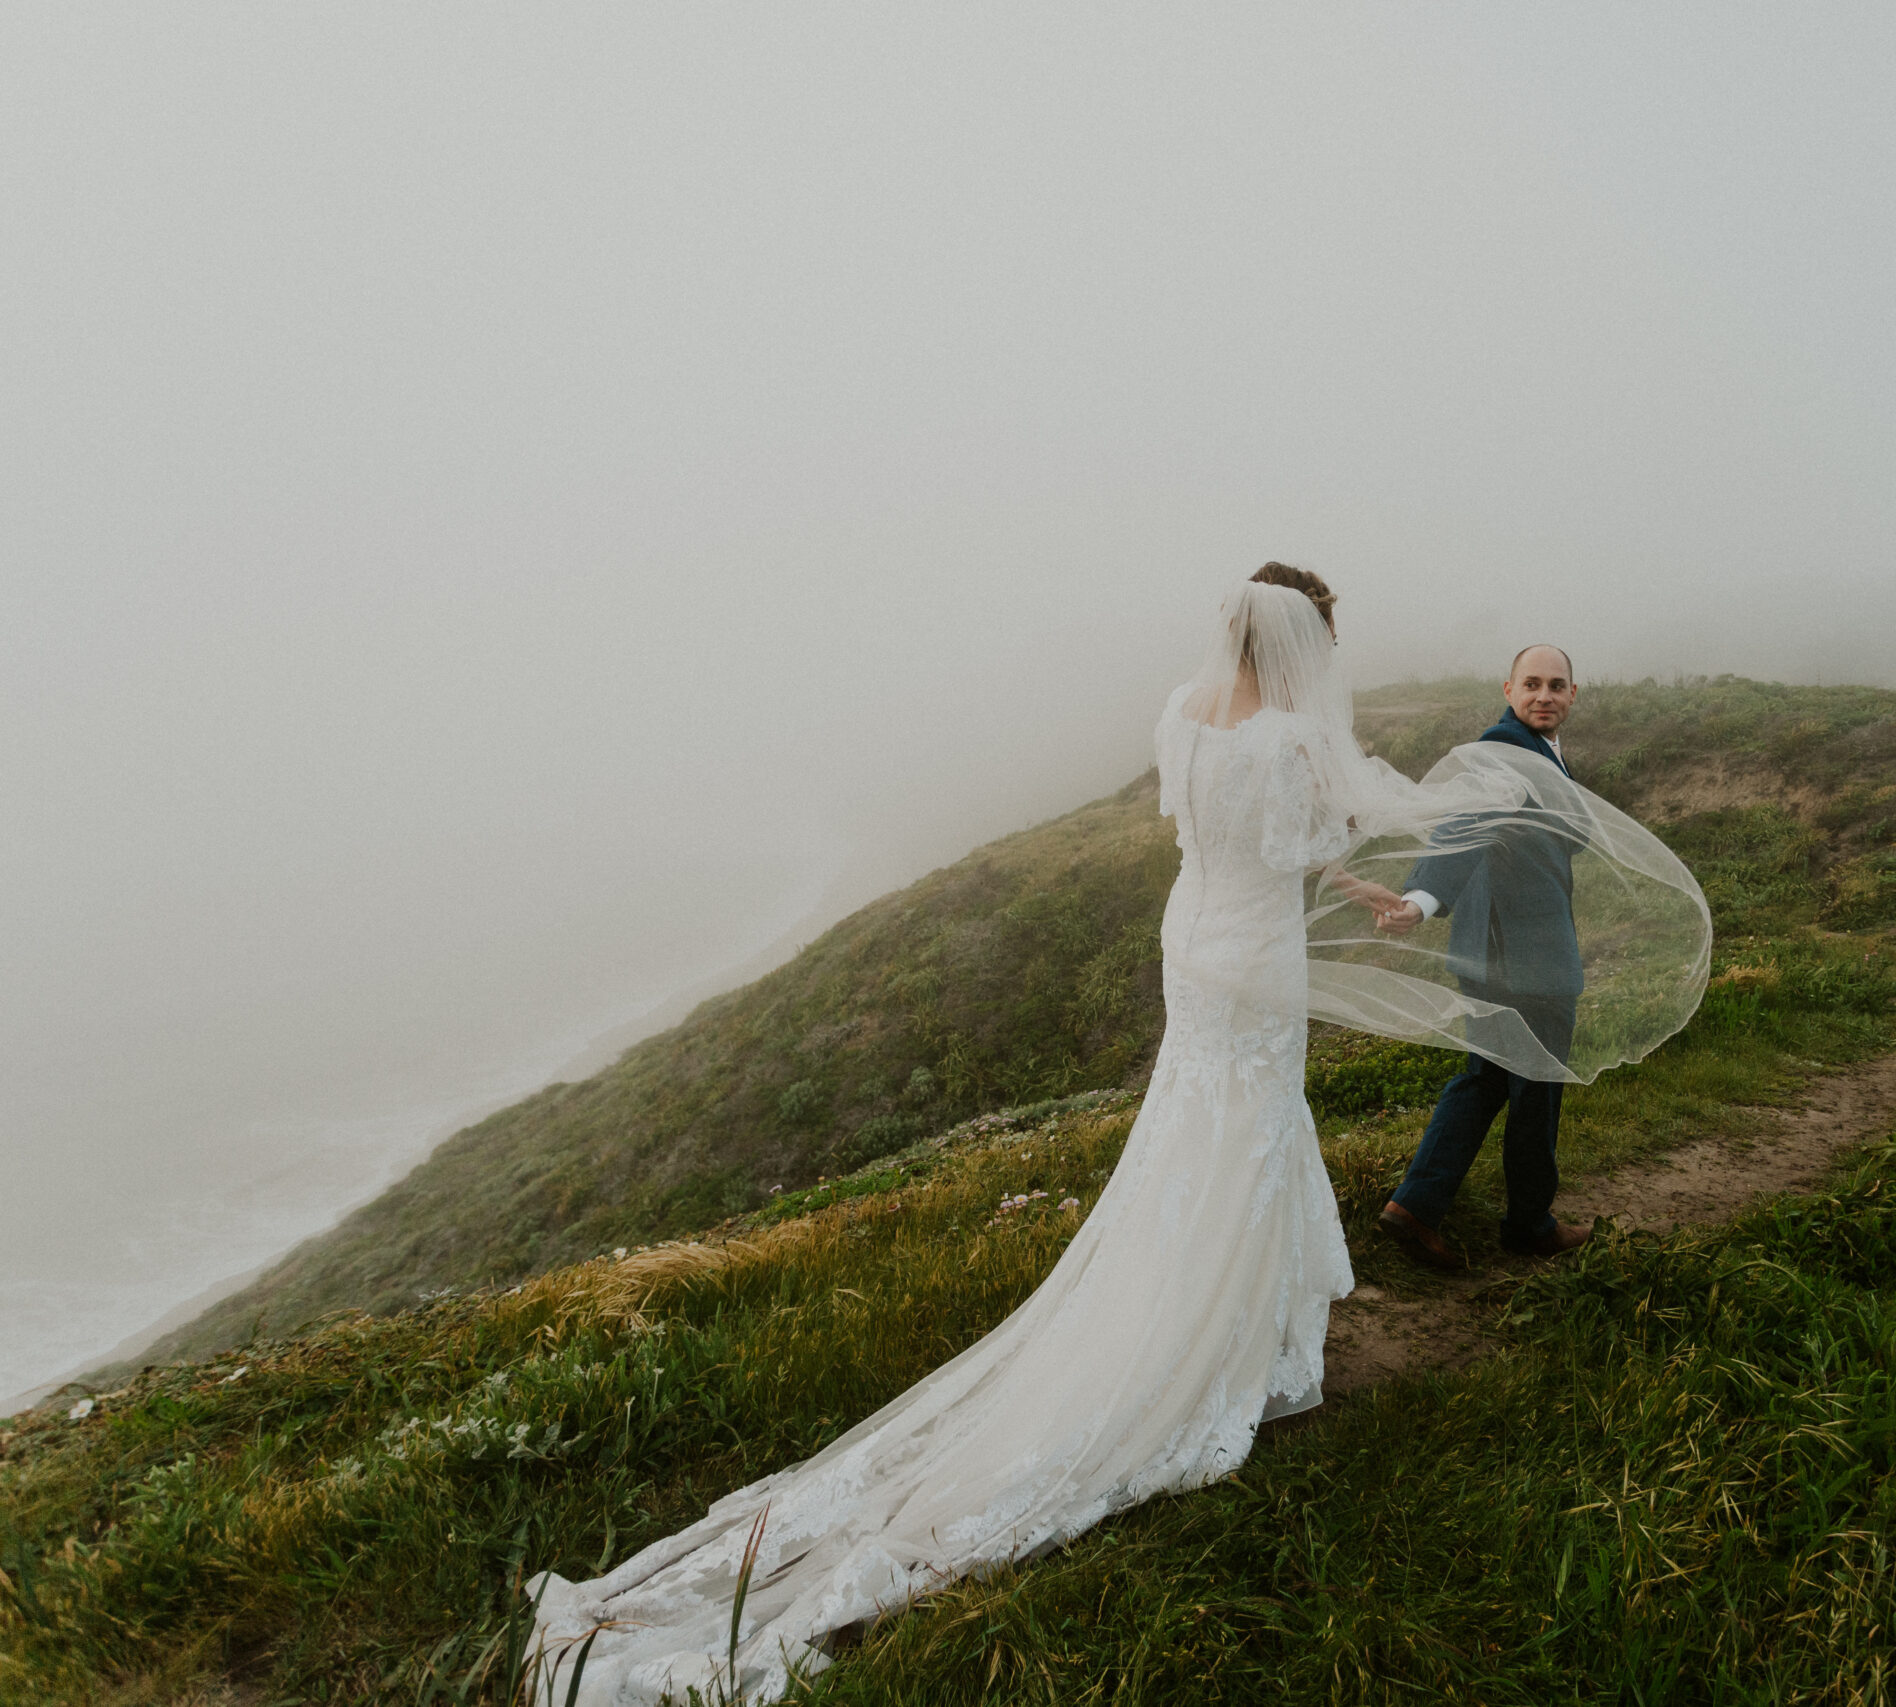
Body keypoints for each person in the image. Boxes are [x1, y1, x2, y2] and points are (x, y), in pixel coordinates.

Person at [521, 572, 1699, 1704]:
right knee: (1244, 1128)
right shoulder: (1292, 742)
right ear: (1295, 644)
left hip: (1192, 943)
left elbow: (1210, 837)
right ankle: (1219, 1332)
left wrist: (1349, 877)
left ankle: (1220, 1296)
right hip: (1251, 961)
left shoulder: (1181, 714)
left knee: (1203, 1128)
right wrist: (1377, 821)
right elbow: (1300, 844)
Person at [1373, 645, 1590, 1271]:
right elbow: (1461, 829)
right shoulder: (1508, 751)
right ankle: (1530, 1225)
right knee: (1538, 1084)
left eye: (1556, 685)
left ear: (1575, 694)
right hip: (1525, 958)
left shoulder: (1540, 753)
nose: (1543, 695)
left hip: (1491, 951)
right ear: (1508, 690)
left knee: (1486, 1078)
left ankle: (1415, 1206)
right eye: (1532, 684)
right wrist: (1420, 900)